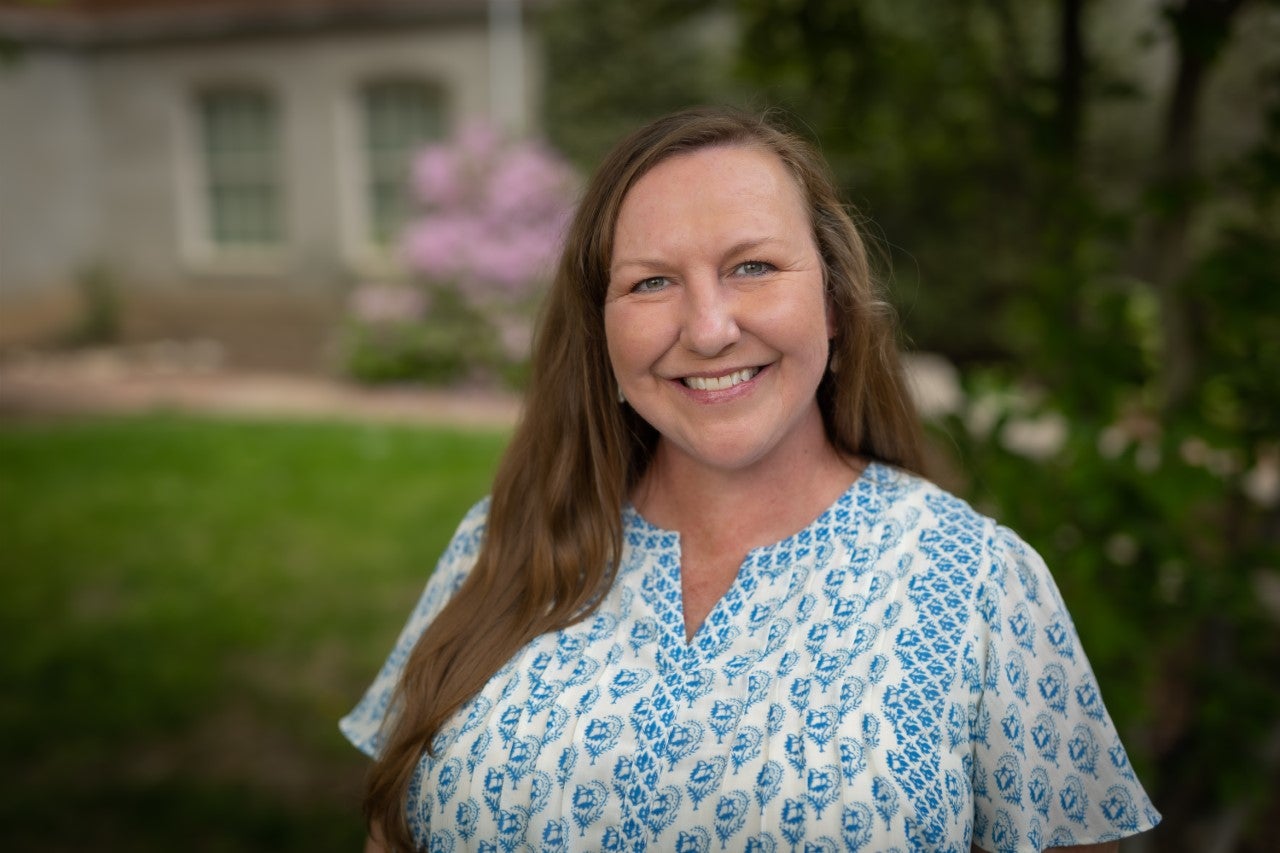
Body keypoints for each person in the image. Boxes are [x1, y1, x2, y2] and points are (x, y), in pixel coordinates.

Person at [341, 107, 1160, 852]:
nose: (708, 329)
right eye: (651, 281)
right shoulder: (498, 541)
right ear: (601, 332)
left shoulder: (980, 581)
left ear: (834, 303)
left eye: (754, 266)